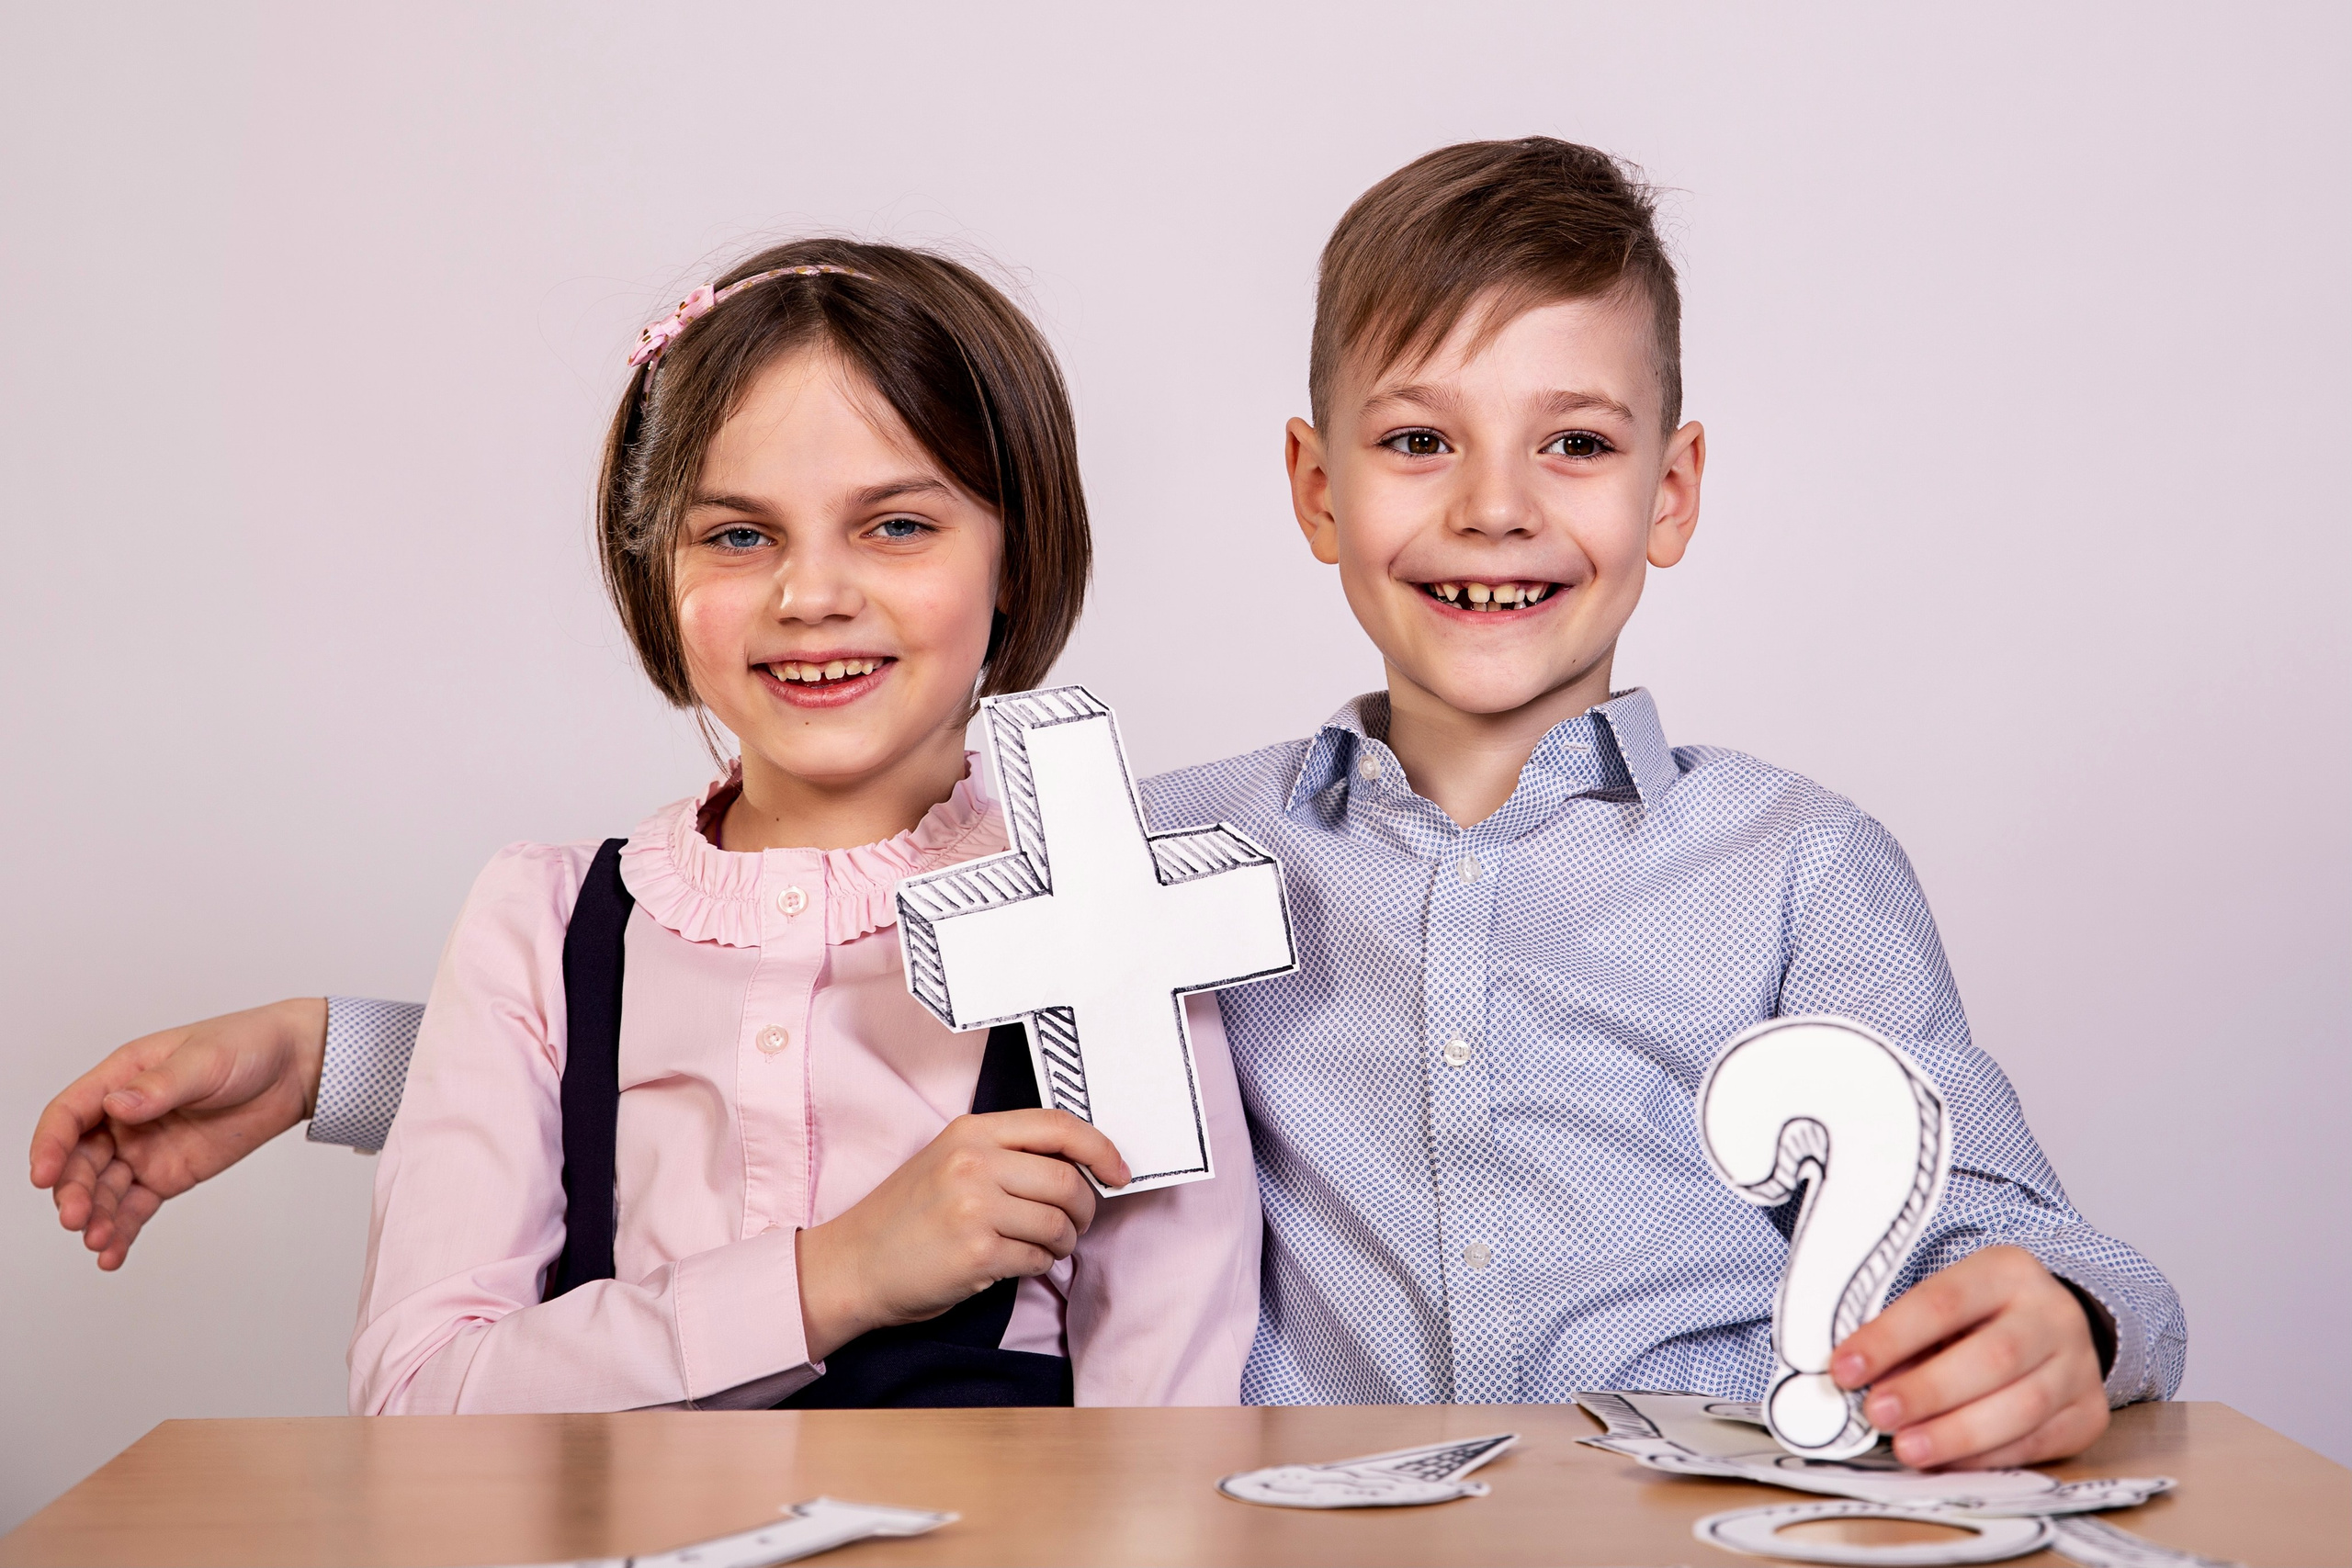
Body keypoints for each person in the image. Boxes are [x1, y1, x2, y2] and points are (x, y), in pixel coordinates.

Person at [33, 140, 2182, 1468]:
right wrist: (354, 1060)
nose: (1499, 509)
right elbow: (798, 996)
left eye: (1577, 445)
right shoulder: (1131, 853)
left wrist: (2067, 1320)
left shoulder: (1798, 868)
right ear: (1312, 490)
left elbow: (1999, 1217)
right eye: (1421, 440)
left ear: (1673, 490)